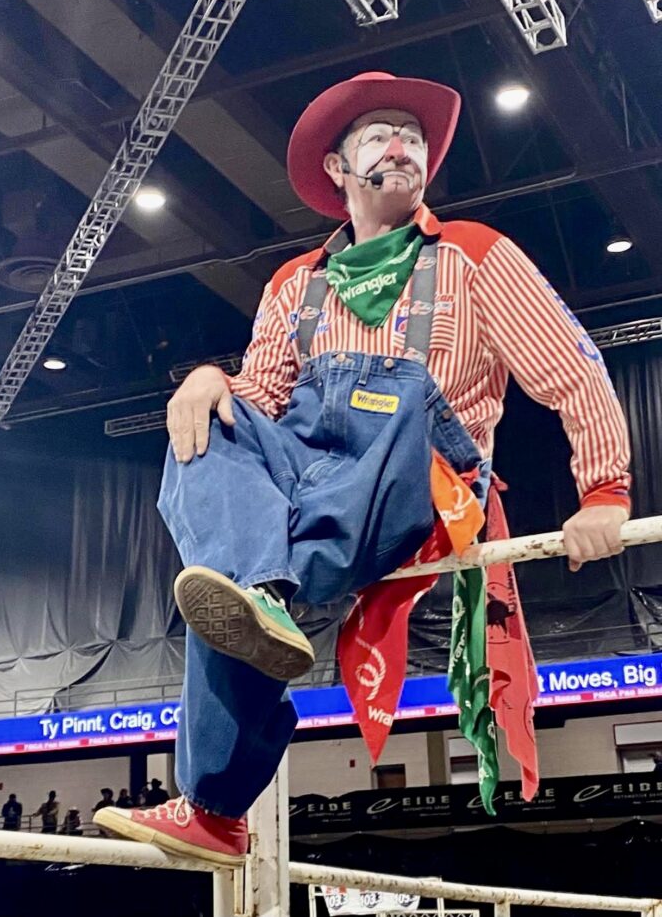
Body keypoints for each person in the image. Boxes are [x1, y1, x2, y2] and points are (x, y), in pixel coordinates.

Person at [95, 72, 631, 863]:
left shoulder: (476, 255)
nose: (402, 145)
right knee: (209, 460)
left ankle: (260, 593)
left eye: (413, 136)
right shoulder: (293, 284)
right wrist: (208, 378)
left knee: (247, 561)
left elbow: (573, 369)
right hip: (312, 471)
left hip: (425, 471)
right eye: (380, 133)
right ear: (339, 171)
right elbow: (262, 401)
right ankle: (218, 802)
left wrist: (605, 490)